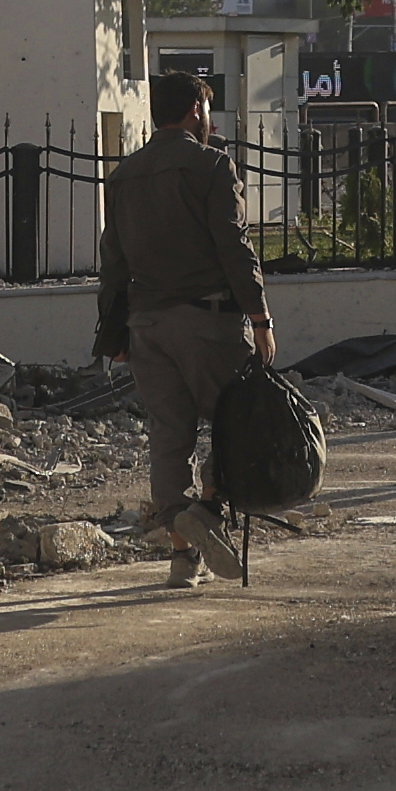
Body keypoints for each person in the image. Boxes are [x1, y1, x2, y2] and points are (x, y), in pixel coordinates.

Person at [93, 66, 272, 584]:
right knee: (232, 423)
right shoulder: (212, 166)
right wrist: (259, 316)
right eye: (208, 110)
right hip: (209, 320)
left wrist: (114, 335)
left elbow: (113, 262)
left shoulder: (124, 176)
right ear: (196, 110)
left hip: (147, 325)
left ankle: (182, 557)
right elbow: (236, 248)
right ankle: (209, 510)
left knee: (170, 437)